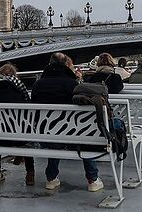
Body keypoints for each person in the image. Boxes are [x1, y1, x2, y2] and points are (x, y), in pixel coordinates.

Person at [31, 52, 103, 192]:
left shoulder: (37, 84)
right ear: (65, 65)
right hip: (71, 135)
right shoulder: (72, 84)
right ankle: (92, 179)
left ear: (49, 64)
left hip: (44, 134)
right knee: (83, 135)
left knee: (55, 131)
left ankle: (51, 178)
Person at [0, 63, 35, 185]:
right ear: (14, 75)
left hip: (0, 138)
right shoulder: (19, 86)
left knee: (2, 128)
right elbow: (28, 104)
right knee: (26, 134)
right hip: (20, 138)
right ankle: (30, 174)